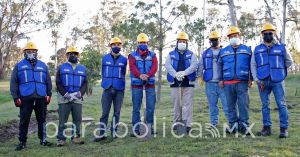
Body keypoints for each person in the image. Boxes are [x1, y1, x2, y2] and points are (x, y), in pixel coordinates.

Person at [251, 23, 293, 138]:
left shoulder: (282, 47)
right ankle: (266, 128)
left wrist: (280, 72)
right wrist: (256, 79)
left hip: (277, 81)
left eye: (270, 33)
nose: (268, 35)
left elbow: (289, 62)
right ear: (262, 35)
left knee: (281, 104)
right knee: (265, 105)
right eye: (266, 33)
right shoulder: (257, 49)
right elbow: (253, 65)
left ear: (273, 34)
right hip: (262, 81)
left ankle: (284, 129)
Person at [10, 42, 52, 151]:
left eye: (33, 52)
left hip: (41, 97)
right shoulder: (19, 65)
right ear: (25, 53)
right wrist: (16, 97)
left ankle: (43, 140)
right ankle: (22, 142)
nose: (31, 53)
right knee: (24, 120)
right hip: (25, 98)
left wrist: (49, 94)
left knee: (42, 119)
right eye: (29, 52)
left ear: (37, 53)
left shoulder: (43, 65)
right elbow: (13, 82)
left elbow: (48, 80)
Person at [217, 26, 253, 135]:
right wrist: (220, 79)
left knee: (243, 105)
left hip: (242, 82)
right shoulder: (223, 51)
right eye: (231, 36)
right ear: (228, 38)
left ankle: (244, 126)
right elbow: (219, 65)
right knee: (230, 105)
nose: (233, 37)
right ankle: (233, 126)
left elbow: (252, 65)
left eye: (235, 35)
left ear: (239, 36)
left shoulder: (247, 50)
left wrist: (251, 78)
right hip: (228, 83)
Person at [94, 37, 127, 142]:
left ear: (120, 46)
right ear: (111, 46)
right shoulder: (105, 58)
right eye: (114, 44)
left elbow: (124, 73)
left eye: (118, 45)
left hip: (119, 90)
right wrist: (106, 83)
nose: (116, 46)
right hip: (107, 89)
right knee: (105, 113)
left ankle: (114, 132)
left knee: (116, 112)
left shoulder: (124, 59)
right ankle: (101, 134)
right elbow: (103, 72)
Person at [165, 32, 198, 133]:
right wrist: (176, 74)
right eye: (180, 41)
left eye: (184, 41)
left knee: (187, 104)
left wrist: (184, 73)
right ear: (177, 42)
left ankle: (187, 124)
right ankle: (177, 123)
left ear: (187, 43)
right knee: (177, 104)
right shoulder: (171, 54)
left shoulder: (191, 54)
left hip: (188, 83)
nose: (182, 43)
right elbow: (168, 65)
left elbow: (194, 65)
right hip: (175, 83)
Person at [56, 46, 87, 146]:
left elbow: (85, 83)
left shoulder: (82, 68)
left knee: (77, 119)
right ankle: (61, 139)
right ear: (67, 55)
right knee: (62, 119)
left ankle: (76, 137)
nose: (73, 55)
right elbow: (58, 82)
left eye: (75, 54)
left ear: (78, 55)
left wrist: (80, 94)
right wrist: (65, 94)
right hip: (64, 97)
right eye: (70, 54)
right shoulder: (61, 67)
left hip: (77, 98)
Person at [128, 33, 158, 136]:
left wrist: (148, 75)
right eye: (141, 42)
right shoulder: (132, 55)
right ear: (137, 43)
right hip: (137, 84)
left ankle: (149, 127)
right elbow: (132, 67)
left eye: (144, 42)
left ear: (147, 43)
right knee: (136, 108)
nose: (142, 44)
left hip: (150, 84)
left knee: (150, 107)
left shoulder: (153, 55)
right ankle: (136, 129)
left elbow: (154, 66)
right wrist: (140, 75)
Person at [197, 31, 229, 127]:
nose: (214, 41)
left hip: (223, 83)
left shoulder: (225, 52)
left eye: (216, 39)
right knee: (212, 105)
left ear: (220, 40)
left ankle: (231, 123)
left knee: (227, 104)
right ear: (209, 41)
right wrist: (199, 77)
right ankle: (214, 122)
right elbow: (201, 65)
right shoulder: (205, 53)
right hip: (210, 83)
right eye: (212, 40)